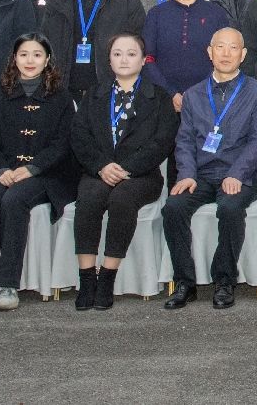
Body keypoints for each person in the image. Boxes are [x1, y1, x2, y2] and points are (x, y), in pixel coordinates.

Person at [161, 27, 257, 310]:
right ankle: (185, 282)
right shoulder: (193, 94)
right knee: (173, 207)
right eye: (220, 47)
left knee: (231, 208)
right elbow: (185, 140)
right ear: (210, 52)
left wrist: (237, 174)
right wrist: (187, 174)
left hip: (239, 176)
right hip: (200, 175)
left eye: (233, 48)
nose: (226, 53)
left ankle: (224, 280)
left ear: (243, 55)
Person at [0, 34, 76, 312]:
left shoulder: (61, 97)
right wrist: (0, 168)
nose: (30, 61)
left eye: (37, 55)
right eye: (24, 54)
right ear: (14, 58)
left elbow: (63, 143)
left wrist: (32, 167)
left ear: (47, 60)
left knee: (14, 200)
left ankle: (7, 284)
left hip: (43, 174)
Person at [69, 33, 177, 310]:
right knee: (89, 198)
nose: (124, 59)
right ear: (109, 60)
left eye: (131, 54)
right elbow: (79, 136)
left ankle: (107, 276)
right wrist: (101, 166)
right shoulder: (94, 95)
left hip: (142, 175)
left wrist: (128, 168)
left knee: (122, 199)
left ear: (143, 60)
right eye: (117, 54)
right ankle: (87, 279)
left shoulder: (159, 97)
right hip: (99, 171)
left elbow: (163, 142)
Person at [39, 0, 147, 103]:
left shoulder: (126, 0)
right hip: (65, 92)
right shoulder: (59, 1)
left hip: (111, 91)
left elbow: (140, 45)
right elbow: (46, 44)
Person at [141, 0, 234, 102]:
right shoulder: (156, 14)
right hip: (162, 99)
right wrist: (171, 93)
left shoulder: (216, 14)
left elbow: (223, 59)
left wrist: (198, 93)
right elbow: (147, 59)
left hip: (207, 98)